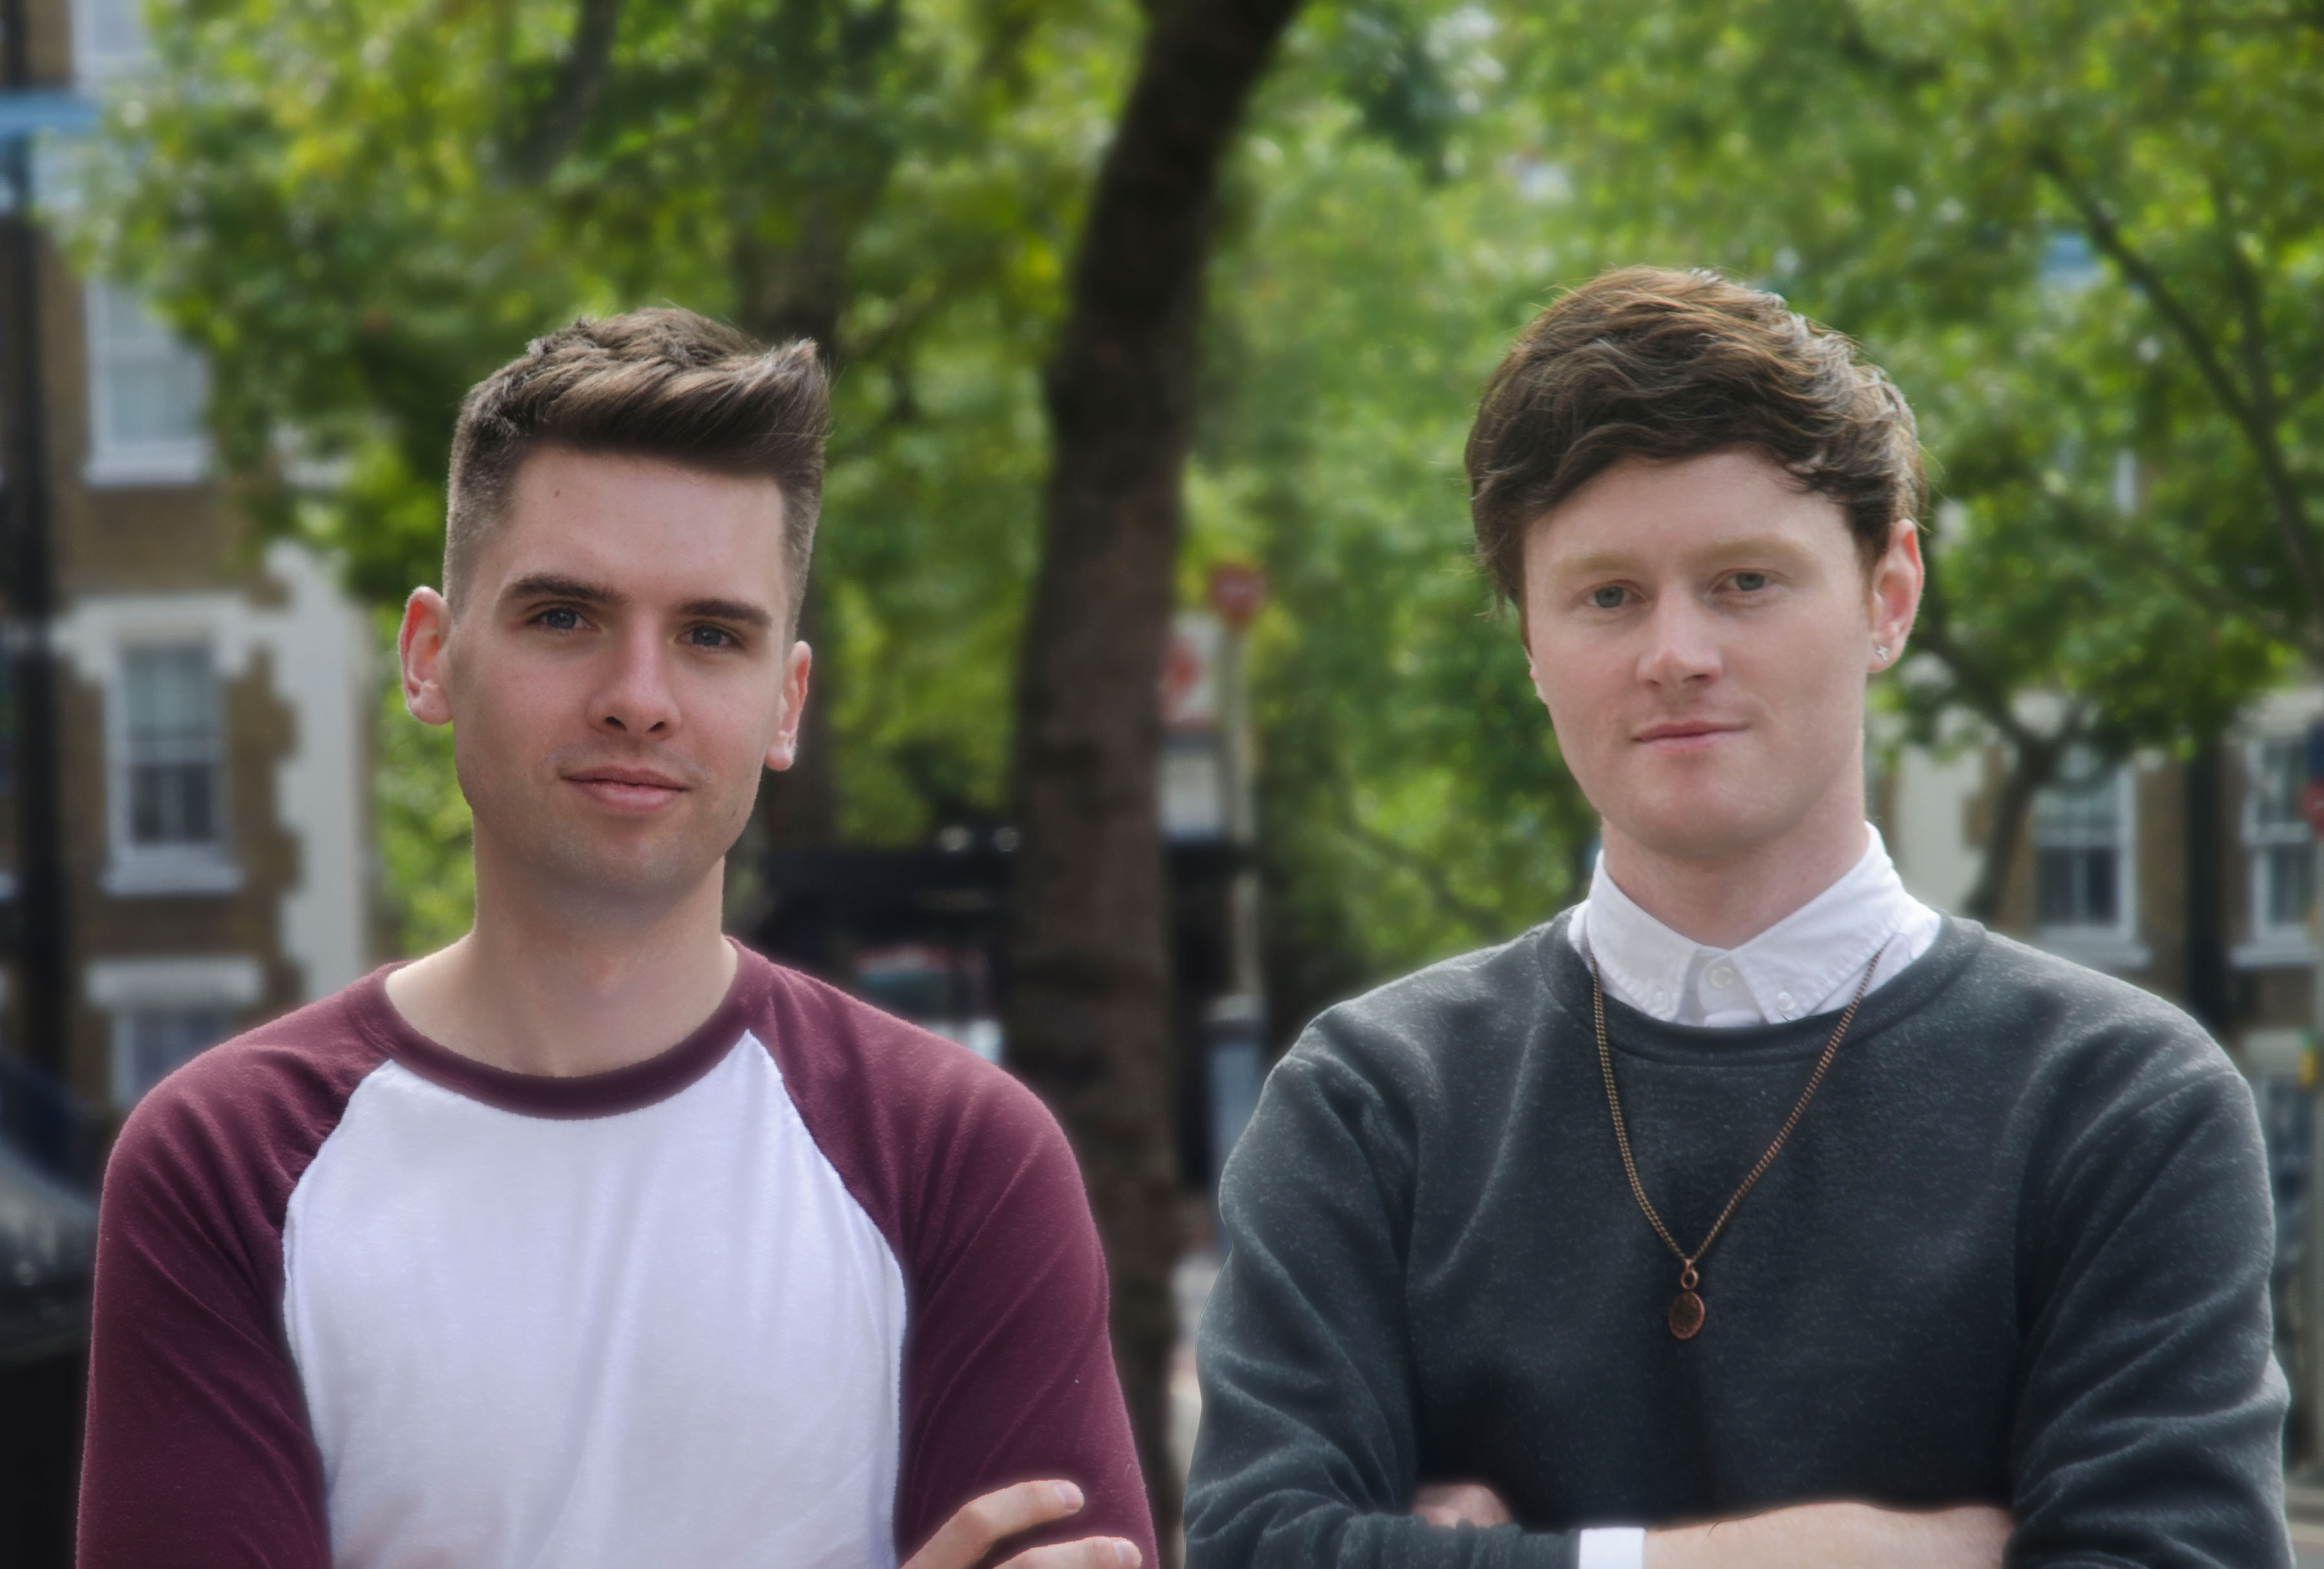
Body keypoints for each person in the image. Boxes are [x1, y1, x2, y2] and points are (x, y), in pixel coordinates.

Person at [1184, 267, 2288, 1568]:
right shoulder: (1372, 1109)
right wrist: (1793, 1557)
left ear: (1887, 596)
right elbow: (1256, 1548)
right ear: (1529, 642)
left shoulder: (2120, 1106)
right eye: (1607, 595)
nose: (1675, 654)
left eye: (1744, 581)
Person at [78, 310, 1153, 1569]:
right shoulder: (228, 1168)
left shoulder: (958, 1163)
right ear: (430, 658)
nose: (639, 698)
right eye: (563, 617)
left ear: (785, 703)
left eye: (711, 635)